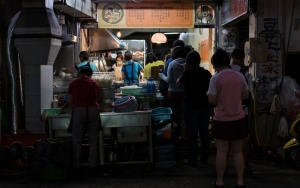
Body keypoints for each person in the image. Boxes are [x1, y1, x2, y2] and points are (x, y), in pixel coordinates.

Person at [207, 49, 249, 188]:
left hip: (222, 119)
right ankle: (240, 181)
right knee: (238, 151)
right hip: (238, 118)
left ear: (215, 64)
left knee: (222, 151)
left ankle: (220, 181)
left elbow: (212, 100)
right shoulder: (239, 76)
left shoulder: (215, 78)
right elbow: (245, 96)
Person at [176, 51, 212, 167]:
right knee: (204, 133)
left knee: (192, 134)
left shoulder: (187, 73)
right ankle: (204, 159)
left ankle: (192, 160)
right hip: (204, 106)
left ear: (188, 62)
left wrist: (185, 70)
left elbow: (178, 83)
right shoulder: (206, 73)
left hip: (190, 106)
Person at [67, 66, 100, 169]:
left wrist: (75, 108)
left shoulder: (73, 83)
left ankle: (76, 164)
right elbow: (97, 98)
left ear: (79, 73)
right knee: (93, 140)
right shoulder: (94, 83)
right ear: (90, 74)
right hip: (93, 109)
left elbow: (70, 101)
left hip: (79, 109)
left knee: (77, 140)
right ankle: (92, 164)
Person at [230, 48, 253, 174]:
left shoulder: (221, 72)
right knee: (243, 138)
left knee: (225, 139)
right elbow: (248, 95)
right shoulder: (244, 74)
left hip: (225, 111)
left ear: (232, 57)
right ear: (241, 59)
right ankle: (245, 163)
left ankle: (226, 162)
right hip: (242, 111)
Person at [159, 46, 185, 139]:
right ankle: (183, 135)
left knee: (174, 115)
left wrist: (161, 75)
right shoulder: (187, 63)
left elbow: (169, 80)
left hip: (173, 93)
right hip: (184, 93)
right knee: (183, 115)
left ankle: (175, 136)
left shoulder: (172, 63)